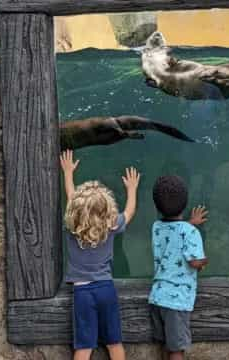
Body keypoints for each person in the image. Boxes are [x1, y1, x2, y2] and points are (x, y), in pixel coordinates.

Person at [60, 150, 140, 360]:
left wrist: (68, 173)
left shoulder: (73, 227)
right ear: (108, 209)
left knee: (84, 347)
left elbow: (71, 198)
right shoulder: (111, 225)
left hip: (82, 293)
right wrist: (132, 189)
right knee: (114, 343)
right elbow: (129, 212)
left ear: (76, 211)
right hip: (106, 288)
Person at [148, 175, 209, 360]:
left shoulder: (156, 227)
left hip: (158, 298)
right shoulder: (191, 233)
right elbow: (194, 262)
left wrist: (190, 223)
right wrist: (205, 260)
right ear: (185, 203)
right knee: (176, 351)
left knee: (166, 345)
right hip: (176, 303)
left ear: (157, 205)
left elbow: (172, 235)